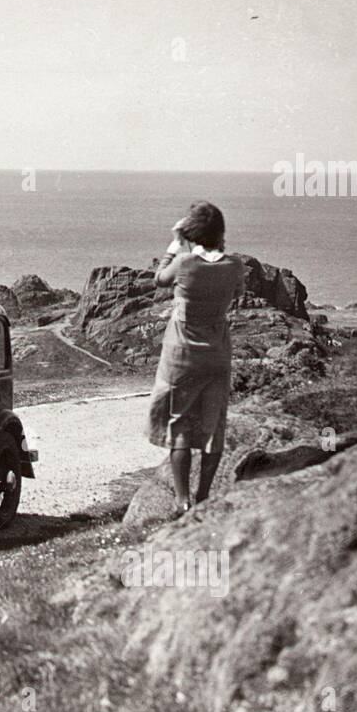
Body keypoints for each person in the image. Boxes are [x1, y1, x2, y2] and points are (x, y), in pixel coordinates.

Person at [146, 201, 247, 517]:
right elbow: (240, 292)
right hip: (217, 351)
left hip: (182, 353)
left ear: (192, 232)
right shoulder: (234, 266)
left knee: (180, 427)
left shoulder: (185, 263)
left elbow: (159, 279)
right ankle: (204, 494)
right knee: (214, 425)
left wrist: (175, 244)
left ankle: (182, 499)